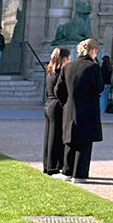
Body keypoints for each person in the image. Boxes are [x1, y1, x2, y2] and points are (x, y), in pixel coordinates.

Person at [56, 37, 104, 182]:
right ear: (93, 51)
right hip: (87, 108)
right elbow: (99, 87)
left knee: (70, 141)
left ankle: (67, 171)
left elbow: (59, 89)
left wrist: (66, 102)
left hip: (70, 107)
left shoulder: (67, 67)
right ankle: (79, 174)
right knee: (84, 143)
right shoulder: (93, 67)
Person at [43, 46, 70, 177]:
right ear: (64, 58)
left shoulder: (50, 71)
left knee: (49, 136)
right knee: (55, 137)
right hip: (56, 105)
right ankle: (53, 166)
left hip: (49, 103)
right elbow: (60, 91)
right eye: (68, 58)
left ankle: (48, 164)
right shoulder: (60, 72)